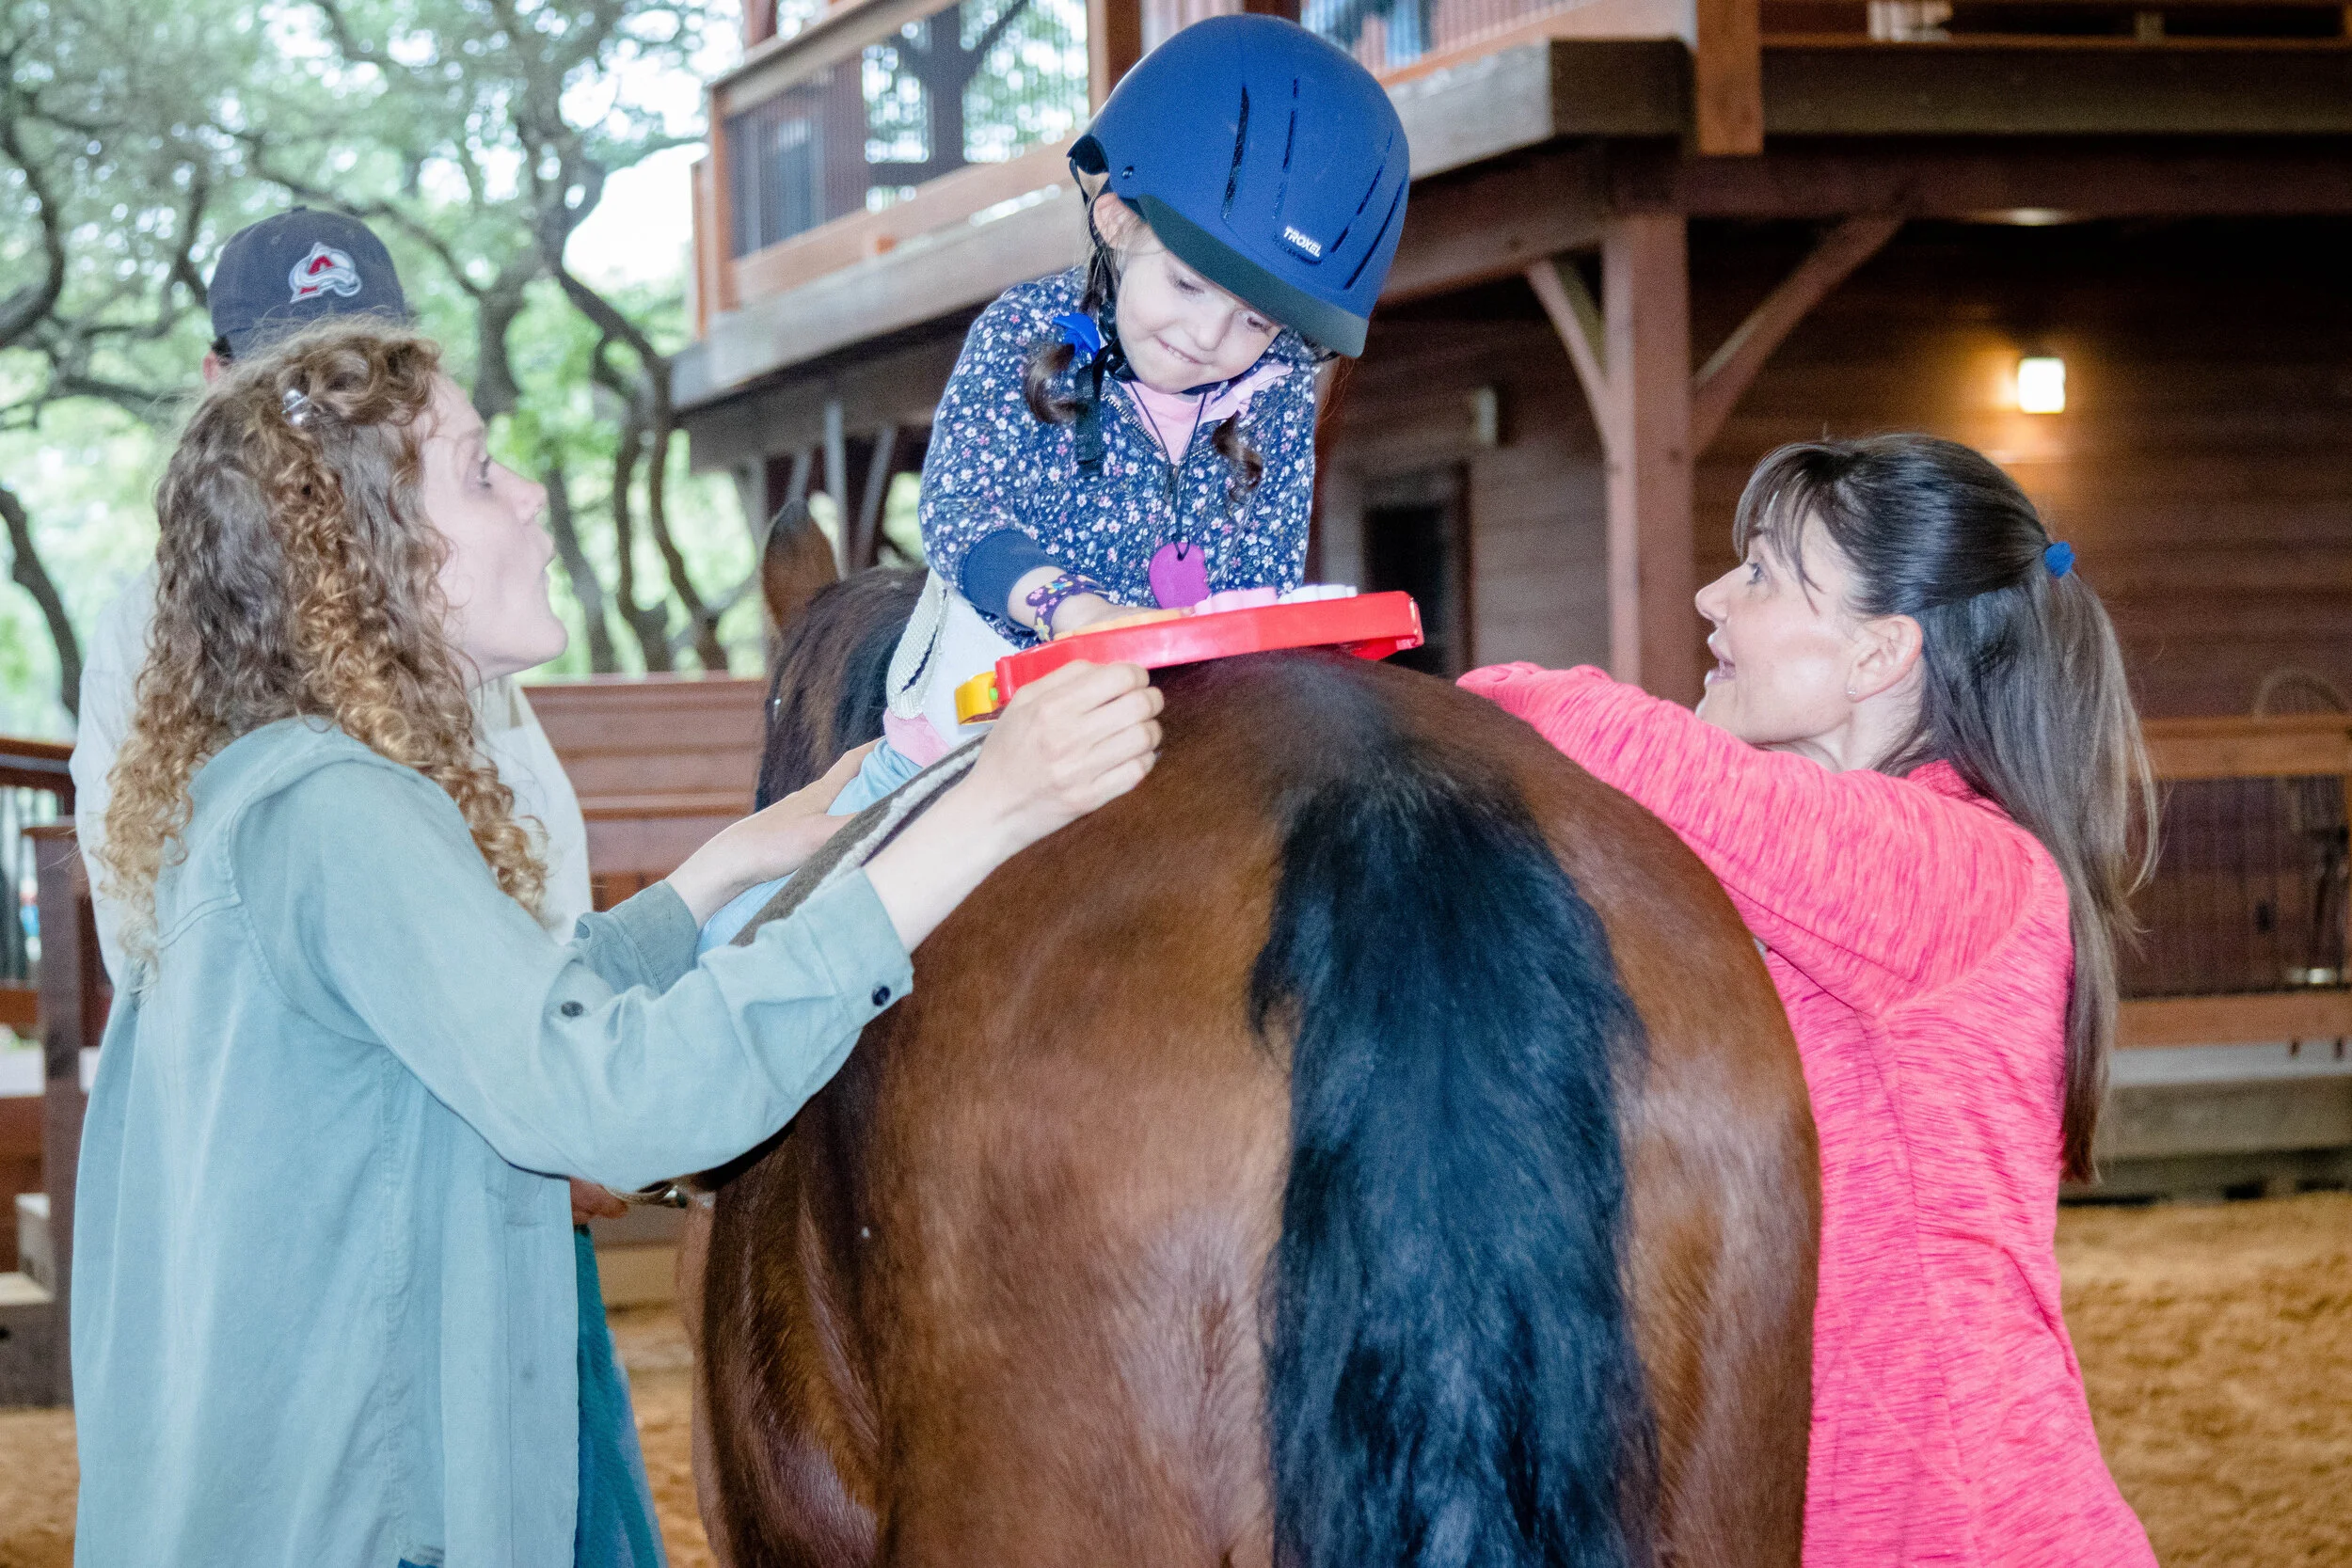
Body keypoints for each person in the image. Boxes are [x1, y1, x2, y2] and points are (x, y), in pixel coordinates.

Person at [69, 319, 1163, 1567]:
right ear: (364, 551)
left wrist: (724, 870)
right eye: (480, 471)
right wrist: (989, 812)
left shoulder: (267, 796)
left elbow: (486, 1033)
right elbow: (615, 1098)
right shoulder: (339, 813)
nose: (532, 497)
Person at [63, 207, 672, 1563]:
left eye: (352, 364)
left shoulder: (438, 624)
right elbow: (145, 916)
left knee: (580, 1500)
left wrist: (551, 1055)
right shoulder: (159, 628)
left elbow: (538, 842)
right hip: (341, 1172)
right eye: (290, 376)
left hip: (510, 1113)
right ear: (224, 389)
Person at [1462, 435, 2157, 1566]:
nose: (1709, 596)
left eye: (1763, 575)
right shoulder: (1829, 873)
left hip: (1954, 1526)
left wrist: (1404, 683)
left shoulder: (1957, 868)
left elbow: (1612, 738)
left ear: (1881, 651)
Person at [700, 14, 1409, 949]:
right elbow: (961, 509)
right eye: (1190, 287)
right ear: (1117, 218)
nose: (1208, 339)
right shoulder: (1024, 336)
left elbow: (1268, 557)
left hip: (1185, 712)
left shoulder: (1271, 395)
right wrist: (1070, 610)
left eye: (1251, 322)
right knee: (747, 931)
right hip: (982, 704)